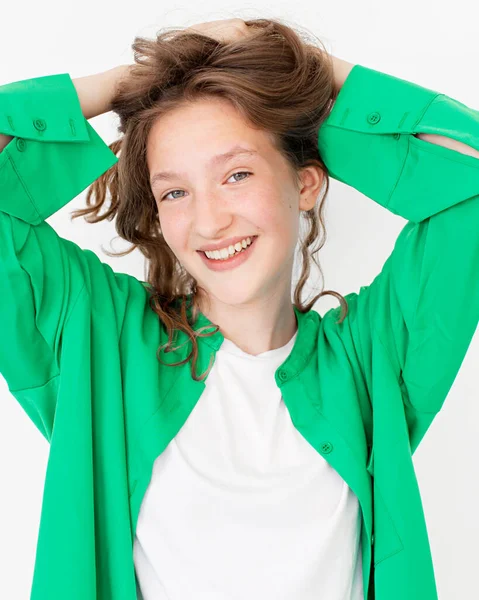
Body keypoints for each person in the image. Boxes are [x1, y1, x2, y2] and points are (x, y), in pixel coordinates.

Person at [0, 17, 478, 600]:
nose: (209, 220)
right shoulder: (98, 341)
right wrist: (134, 82)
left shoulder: (373, 359)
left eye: (237, 174)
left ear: (305, 184)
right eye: (175, 191)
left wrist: (305, 74)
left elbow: (470, 178)